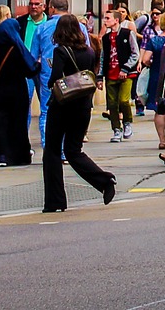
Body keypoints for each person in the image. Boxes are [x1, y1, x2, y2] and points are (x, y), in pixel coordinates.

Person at [41, 13, 115, 212]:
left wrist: (50, 82)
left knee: (52, 152)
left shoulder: (61, 51)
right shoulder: (89, 52)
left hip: (62, 106)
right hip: (83, 106)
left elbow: (56, 78)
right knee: (74, 151)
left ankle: (55, 201)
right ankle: (104, 181)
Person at [0, 7, 38, 167]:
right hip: (17, 91)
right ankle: (18, 155)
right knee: (17, 124)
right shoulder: (17, 50)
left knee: (1, 124)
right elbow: (30, 69)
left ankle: (2, 155)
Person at [100, 9, 139, 142]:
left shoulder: (127, 34)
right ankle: (116, 129)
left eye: (108, 18)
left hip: (126, 74)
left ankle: (127, 122)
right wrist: (100, 76)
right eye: (105, 18)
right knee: (112, 104)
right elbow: (103, 57)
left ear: (116, 20)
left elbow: (135, 53)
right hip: (110, 73)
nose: (105, 21)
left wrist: (126, 68)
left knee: (123, 100)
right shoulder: (106, 38)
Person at [22, 0, 54, 149]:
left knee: (47, 105)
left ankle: (47, 141)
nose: (33, 7)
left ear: (44, 6)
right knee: (24, 103)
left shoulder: (50, 24)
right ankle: (23, 141)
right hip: (26, 69)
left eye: (37, 4)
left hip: (44, 70)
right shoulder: (21, 22)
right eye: (31, 4)